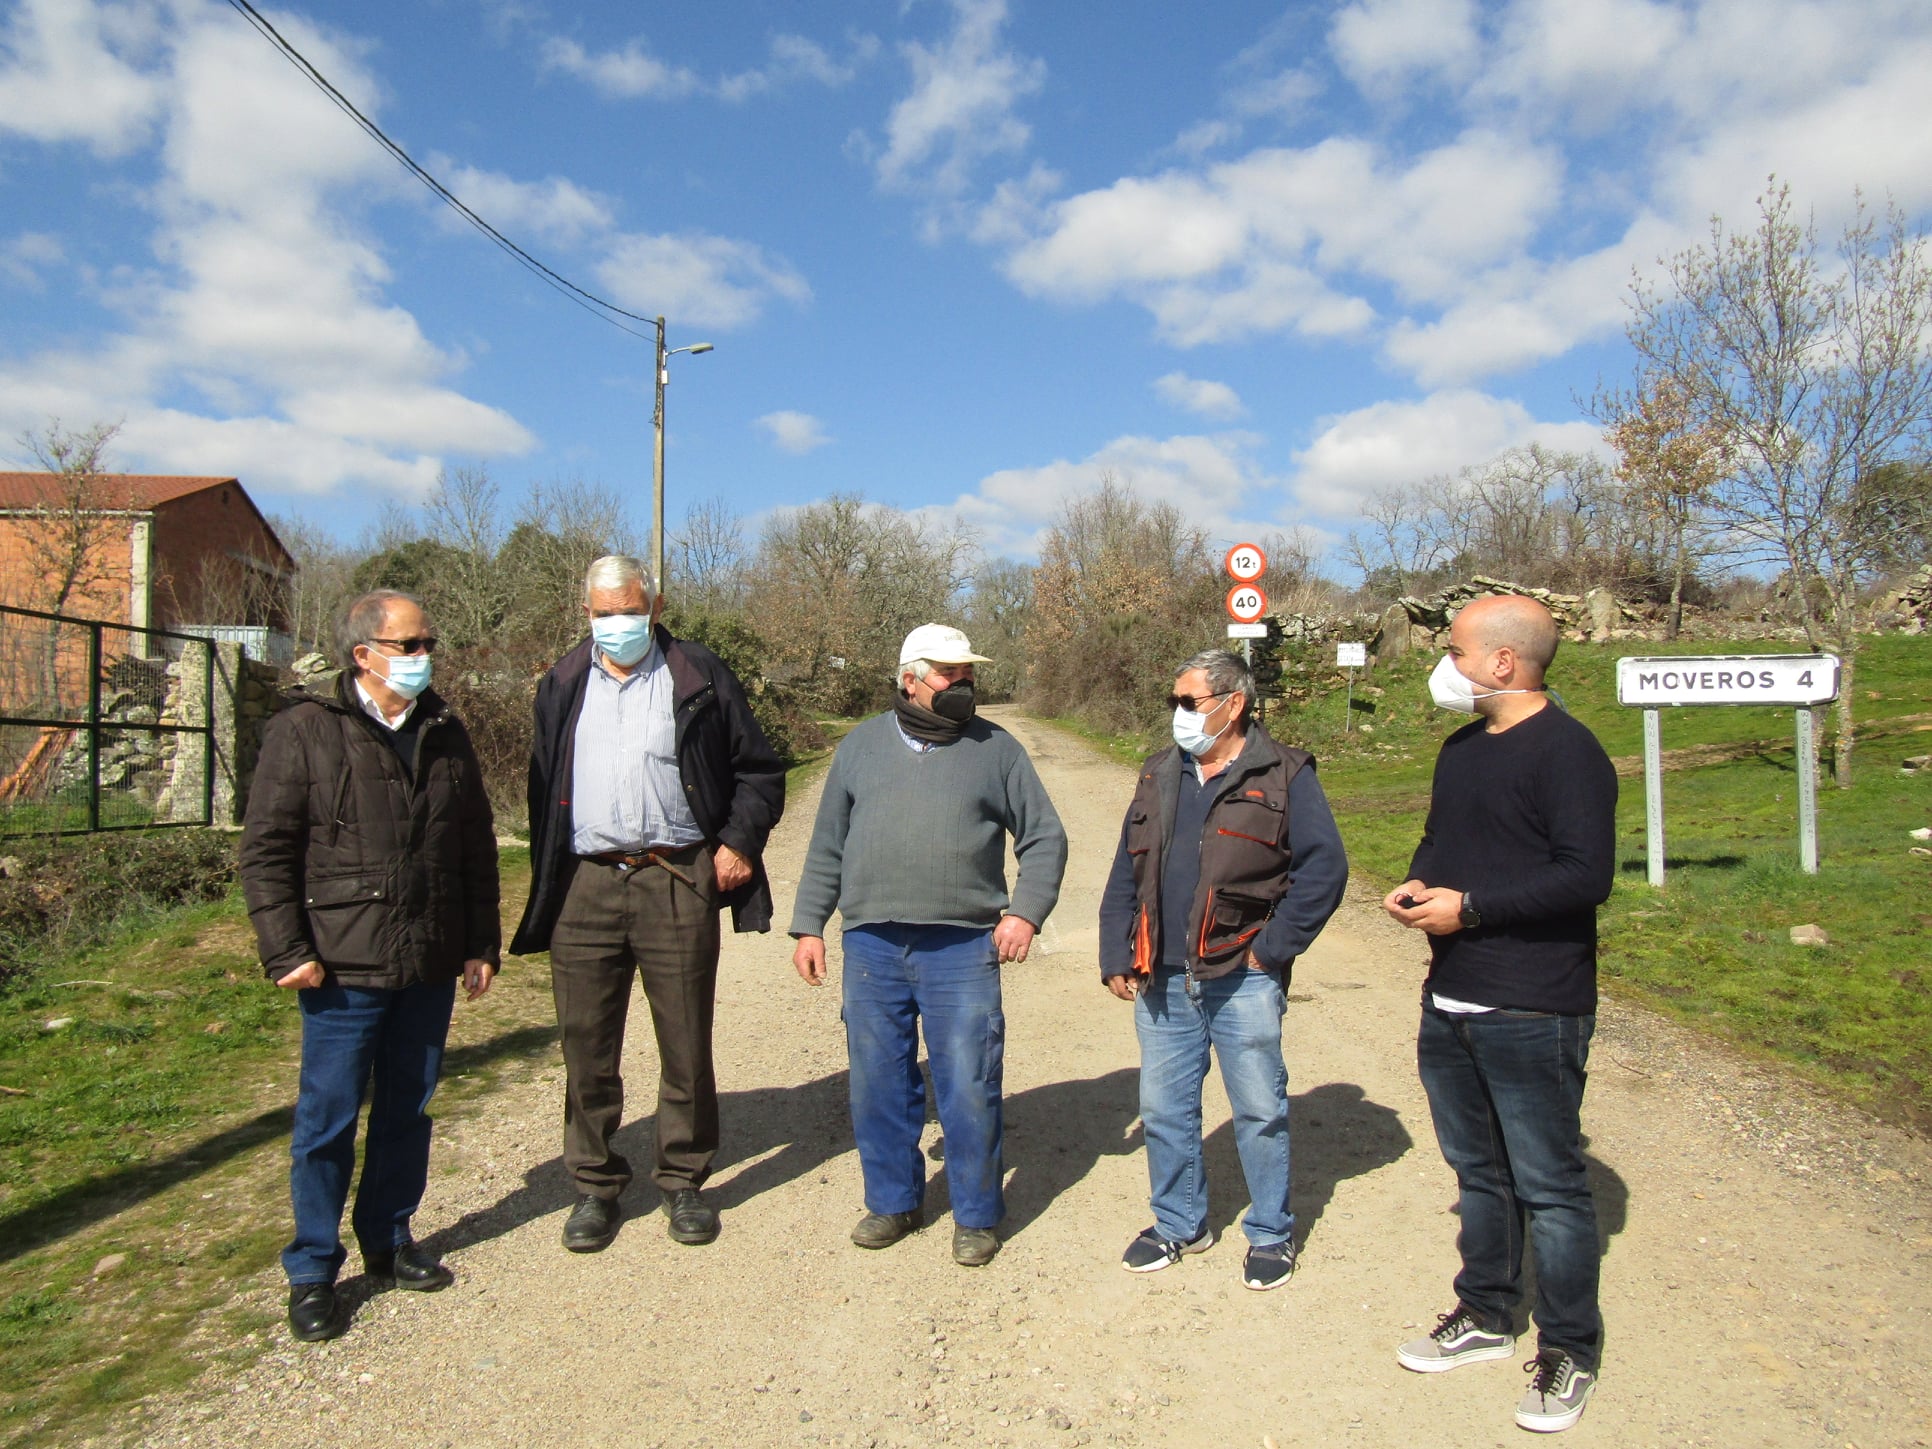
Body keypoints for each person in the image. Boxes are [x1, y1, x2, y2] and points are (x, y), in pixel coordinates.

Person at [1383, 593, 1617, 1435]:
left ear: (1503, 663)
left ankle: (1569, 1350)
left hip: (1532, 1003)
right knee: (1477, 1171)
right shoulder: (1459, 749)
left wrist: (1471, 908)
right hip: (1449, 997)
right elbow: (1442, 840)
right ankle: (1484, 1311)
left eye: (1454, 651)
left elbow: (1586, 875)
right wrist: (1417, 883)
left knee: (1551, 1187)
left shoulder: (1570, 752)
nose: (1443, 664)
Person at [240, 590, 500, 1344]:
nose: (425, 656)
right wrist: (286, 949)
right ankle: (314, 1269)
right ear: (365, 654)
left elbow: (475, 847)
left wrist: (479, 942)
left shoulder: (445, 731)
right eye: (411, 644)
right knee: (326, 1120)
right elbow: (266, 852)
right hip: (340, 966)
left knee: (406, 1110)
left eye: (428, 643)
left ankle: (388, 1238)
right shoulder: (305, 732)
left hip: (426, 958)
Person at [511, 555, 784, 1253]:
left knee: (685, 1041)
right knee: (585, 1046)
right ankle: (595, 1185)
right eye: (604, 613)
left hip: (677, 875)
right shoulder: (564, 680)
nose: (618, 624)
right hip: (586, 884)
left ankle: (684, 1179)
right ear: (587, 614)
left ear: (655, 606)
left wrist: (738, 843)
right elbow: (542, 785)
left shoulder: (698, 673)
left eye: (630, 610)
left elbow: (759, 769)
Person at [791, 624, 1067, 1267]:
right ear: (910, 680)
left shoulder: (997, 750)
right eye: (950, 674)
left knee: (969, 1083)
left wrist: (1025, 913)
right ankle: (892, 1203)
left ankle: (975, 1214)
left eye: (968, 674)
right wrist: (810, 924)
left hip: (963, 948)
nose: (964, 684)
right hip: (873, 946)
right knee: (878, 1083)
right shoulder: (859, 747)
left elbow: (1045, 839)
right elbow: (828, 844)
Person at [1097, 649, 1347, 1291]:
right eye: (1175, 703)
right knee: (1163, 1108)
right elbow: (1129, 869)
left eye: (1189, 702)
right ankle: (1180, 1223)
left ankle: (1271, 1232)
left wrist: (1273, 950)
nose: (1178, 715)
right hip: (1163, 976)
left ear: (1232, 704)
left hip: (1243, 975)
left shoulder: (1286, 773)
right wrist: (1116, 951)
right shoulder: (1159, 774)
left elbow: (1324, 870)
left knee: (1259, 1108)